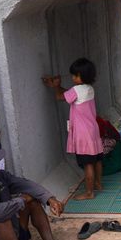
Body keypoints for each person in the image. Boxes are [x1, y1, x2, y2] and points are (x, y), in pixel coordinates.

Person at [43, 58, 104, 200]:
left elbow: (60, 97)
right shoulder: (89, 89)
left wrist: (56, 86)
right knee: (97, 160)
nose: (72, 78)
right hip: (93, 130)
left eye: (75, 75)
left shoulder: (76, 90)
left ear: (82, 76)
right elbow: (69, 95)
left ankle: (89, 193)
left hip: (83, 134)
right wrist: (58, 86)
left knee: (87, 163)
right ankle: (98, 184)